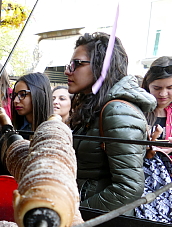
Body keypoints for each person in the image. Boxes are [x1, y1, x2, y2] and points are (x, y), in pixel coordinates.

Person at [66, 32, 156, 213]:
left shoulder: (117, 110)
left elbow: (129, 190)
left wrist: (74, 216)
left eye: (77, 64)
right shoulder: (95, 105)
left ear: (101, 67)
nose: (68, 70)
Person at [134, 56, 172, 223]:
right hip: (145, 183)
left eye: (170, 88)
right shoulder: (137, 111)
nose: (163, 94)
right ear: (147, 86)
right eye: (157, 88)